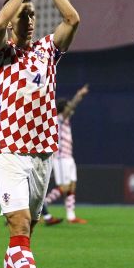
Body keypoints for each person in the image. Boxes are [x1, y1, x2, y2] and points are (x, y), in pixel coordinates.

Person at [0, 0, 78, 268]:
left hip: (43, 155)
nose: (29, 19)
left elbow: (73, 18)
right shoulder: (1, 54)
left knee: (23, 237)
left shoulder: (47, 51)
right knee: (20, 225)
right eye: (22, 14)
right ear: (12, 24)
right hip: (10, 152)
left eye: (32, 14)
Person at [43, 84, 90, 224]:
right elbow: (71, 107)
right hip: (61, 158)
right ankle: (42, 205)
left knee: (72, 185)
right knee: (63, 187)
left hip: (68, 157)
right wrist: (79, 95)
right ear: (63, 109)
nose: (70, 109)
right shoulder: (59, 119)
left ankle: (71, 215)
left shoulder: (64, 120)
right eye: (67, 106)